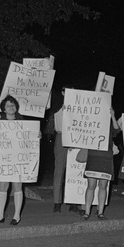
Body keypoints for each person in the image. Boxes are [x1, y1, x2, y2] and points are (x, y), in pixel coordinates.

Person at [82, 107, 121, 220]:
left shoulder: (108, 124)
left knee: (103, 186)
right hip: (93, 157)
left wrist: (113, 115)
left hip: (106, 159)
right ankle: (87, 212)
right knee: (91, 186)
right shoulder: (90, 124)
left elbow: (116, 130)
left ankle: (100, 212)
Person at [0, 95, 26, 225]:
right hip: (4, 159)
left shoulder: (23, 122)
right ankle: (0, 215)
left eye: (13, 105)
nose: (11, 108)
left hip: (18, 158)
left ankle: (16, 215)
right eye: (8, 106)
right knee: (3, 186)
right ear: (4, 109)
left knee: (18, 186)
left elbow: (29, 139)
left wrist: (37, 136)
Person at [49, 86, 81, 214]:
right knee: (59, 170)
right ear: (62, 92)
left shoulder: (79, 107)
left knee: (74, 170)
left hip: (75, 138)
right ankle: (57, 202)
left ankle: (73, 201)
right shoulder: (57, 104)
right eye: (67, 91)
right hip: (61, 137)